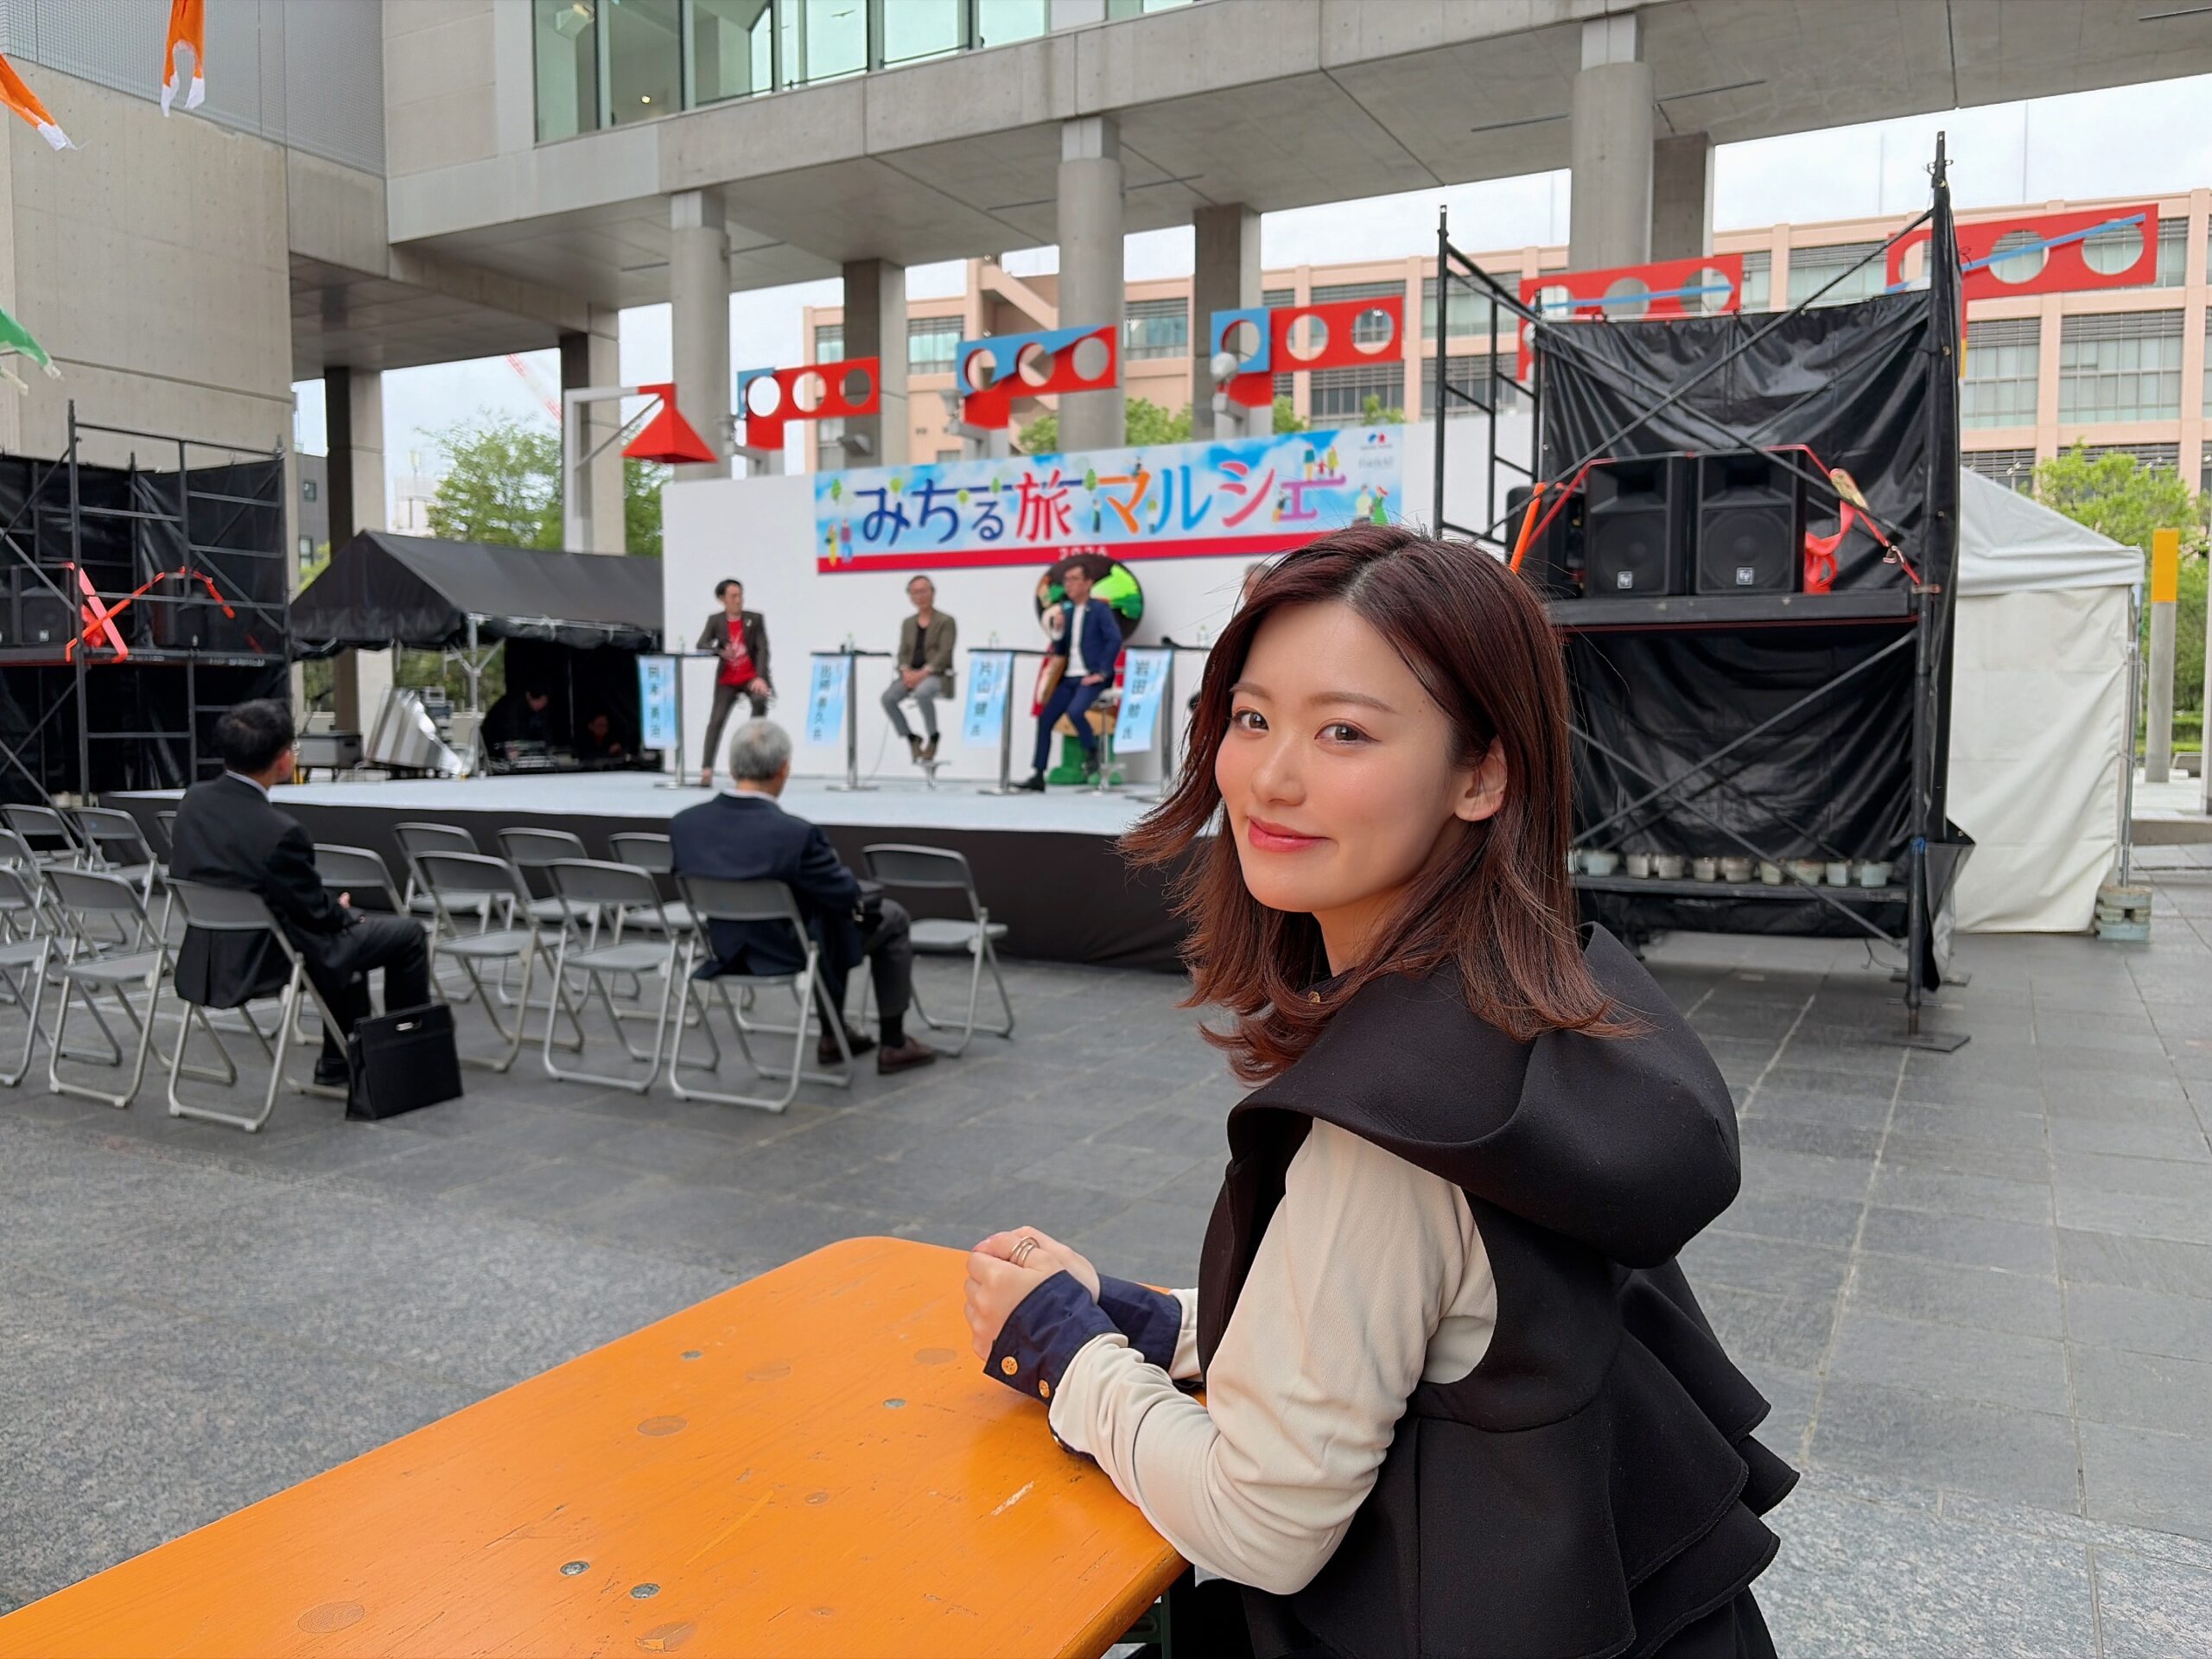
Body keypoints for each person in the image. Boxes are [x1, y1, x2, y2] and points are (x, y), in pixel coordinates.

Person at [961, 527, 1791, 1658]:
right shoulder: (1538, 1014)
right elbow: (1418, 1335)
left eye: (1344, 731)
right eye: (1252, 718)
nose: (1270, 777)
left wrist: (1064, 1352)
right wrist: (1146, 1320)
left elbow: (1262, 1523)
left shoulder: (1395, 1131)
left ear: (1482, 773)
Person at [169, 699, 434, 1088]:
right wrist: (342, 910)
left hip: (209, 950)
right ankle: (408, 1058)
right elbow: (316, 914)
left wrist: (332, 911)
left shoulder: (193, 801)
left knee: (346, 938)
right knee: (405, 935)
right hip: (266, 954)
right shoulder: (281, 832)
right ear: (282, 760)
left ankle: (339, 1060)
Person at [669, 719, 936, 1075]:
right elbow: (844, 894)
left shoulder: (685, 825)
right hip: (789, 950)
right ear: (784, 769)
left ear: (731, 768)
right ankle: (893, 1042)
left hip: (724, 948)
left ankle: (835, 1035)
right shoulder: (796, 834)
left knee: (825, 918)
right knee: (886, 916)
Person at [1014, 563, 1119, 791]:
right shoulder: (1067, 613)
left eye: (1074, 579)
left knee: (1075, 711)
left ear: (1088, 583)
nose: (1068, 584)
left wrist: (1102, 672)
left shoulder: (1100, 610)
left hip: (1091, 677)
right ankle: (1038, 774)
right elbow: (1060, 650)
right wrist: (1059, 630)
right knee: (1045, 719)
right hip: (1069, 678)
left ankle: (1091, 751)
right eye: (1066, 580)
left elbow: (1114, 640)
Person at [696, 577, 772, 789]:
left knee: (759, 703)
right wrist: (719, 651)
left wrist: (761, 678)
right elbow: (701, 643)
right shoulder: (716, 620)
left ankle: (754, 761)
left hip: (750, 677)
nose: (738, 600)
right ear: (722, 599)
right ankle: (707, 769)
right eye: (733, 596)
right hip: (727, 679)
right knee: (716, 719)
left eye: (740, 595)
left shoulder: (754, 619)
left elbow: (763, 650)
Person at [881, 575, 957, 768]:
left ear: (933, 593)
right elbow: (903, 652)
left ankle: (933, 736)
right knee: (888, 698)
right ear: (910, 596)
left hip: (936, 675)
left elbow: (944, 653)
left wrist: (922, 673)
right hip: (910, 675)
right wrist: (905, 671)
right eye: (915, 592)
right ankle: (911, 737)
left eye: (924, 591)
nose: (920, 596)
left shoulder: (946, 621)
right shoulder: (908, 623)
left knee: (923, 692)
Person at [480, 685, 556, 753]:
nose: (540, 705)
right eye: (538, 701)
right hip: (495, 743)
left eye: (543, 702)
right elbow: (510, 727)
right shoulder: (513, 705)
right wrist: (513, 745)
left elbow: (545, 730)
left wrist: (548, 747)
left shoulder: (541, 709)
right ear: (529, 696)